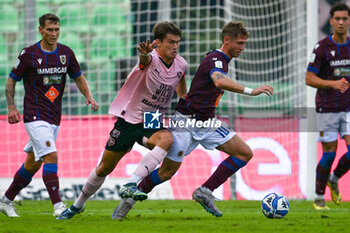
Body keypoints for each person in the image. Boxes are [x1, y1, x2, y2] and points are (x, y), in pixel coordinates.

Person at [112, 21, 273, 219]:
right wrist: (251, 91)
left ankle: (205, 191)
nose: (242, 47)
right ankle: (127, 202)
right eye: (239, 43)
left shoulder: (220, 60)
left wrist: (186, 95)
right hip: (186, 123)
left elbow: (190, 84)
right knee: (166, 173)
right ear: (226, 40)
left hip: (207, 122)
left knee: (244, 153)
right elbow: (219, 80)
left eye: (244, 43)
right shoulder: (217, 59)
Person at [57, 21, 188, 220]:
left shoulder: (181, 64)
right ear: (157, 43)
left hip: (151, 118)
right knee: (105, 168)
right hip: (129, 118)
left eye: (177, 42)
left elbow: (182, 90)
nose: (175, 47)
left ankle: (131, 183)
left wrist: (186, 104)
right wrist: (144, 54)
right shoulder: (149, 59)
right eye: (171, 42)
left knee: (167, 140)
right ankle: (78, 205)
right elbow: (143, 61)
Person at [0, 14, 98, 218]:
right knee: (51, 156)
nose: (54, 33)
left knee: (33, 163)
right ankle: (59, 207)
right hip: (34, 116)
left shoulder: (66, 53)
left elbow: (78, 77)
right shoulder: (29, 54)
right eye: (49, 30)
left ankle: (5, 201)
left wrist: (88, 96)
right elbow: (11, 81)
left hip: (54, 117)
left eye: (56, 29)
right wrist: (11, 107)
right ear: (40, 30)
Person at [306, 2, 350, 210]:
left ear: (349, 21)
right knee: (329, 154)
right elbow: (309, 78)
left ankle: (334, 178)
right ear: (331, 21)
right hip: (327, 108)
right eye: (337, 19)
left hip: (348, 108)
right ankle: (319, 197)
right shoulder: (322, 48)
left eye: (345, 19)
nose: (341, 22)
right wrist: (333, 83)